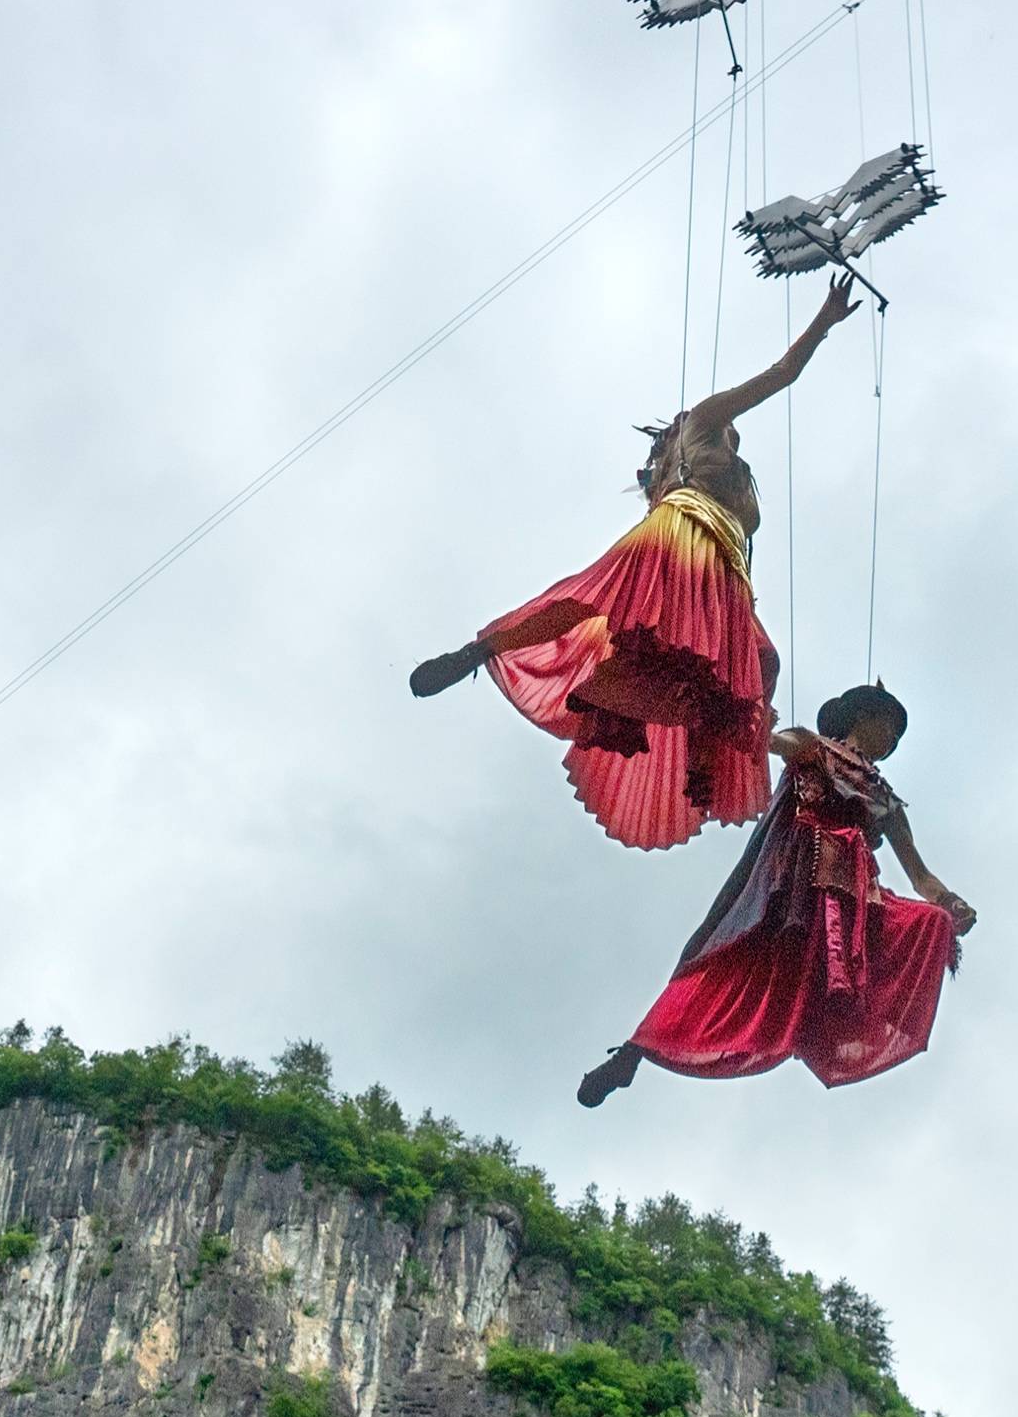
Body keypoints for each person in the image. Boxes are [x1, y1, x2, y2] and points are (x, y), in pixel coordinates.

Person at [410, 275, 861, 852]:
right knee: (593, 604)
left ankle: (700, 767)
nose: (737, 437)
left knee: (755, 666)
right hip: (683, 532)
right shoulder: (704, 422)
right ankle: (482, 650)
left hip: (728, 575)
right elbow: (781, 374)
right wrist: (824, 322)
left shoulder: (735, 475)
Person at [576, 681, 975, 1105]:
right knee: (725, 961)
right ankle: (636, 1051)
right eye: (890, 725)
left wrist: (950, 901)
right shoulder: (813, 746)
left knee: (932, 922)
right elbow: (770, 743)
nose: (893, 739)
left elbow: (919, 874)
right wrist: (750, 721)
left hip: (856, 895)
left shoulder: (887, 800)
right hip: (798, 880)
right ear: (862, 715)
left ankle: (828, 1026)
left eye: (897, 736)